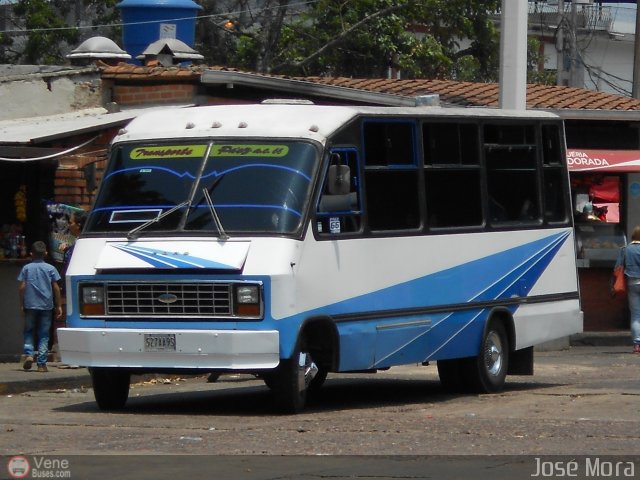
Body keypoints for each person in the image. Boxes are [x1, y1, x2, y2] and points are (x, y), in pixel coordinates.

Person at [18, 241, 63, 372]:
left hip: (30, 305)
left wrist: (21, 304)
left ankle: (29, 354)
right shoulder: (50, 268)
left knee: (28, 330)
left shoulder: (26, 268)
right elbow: (56, 288)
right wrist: (59, 305)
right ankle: (42, 364)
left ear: (31, 254)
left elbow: (22, 287)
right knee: (44, 334)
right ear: (46, 254)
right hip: (46, 306)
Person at [615, 226, 640, 354]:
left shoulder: (625, 249)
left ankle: (637, 344)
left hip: (632, 283)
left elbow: (617, 268)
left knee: (636, 315)